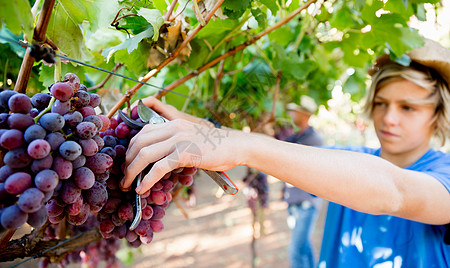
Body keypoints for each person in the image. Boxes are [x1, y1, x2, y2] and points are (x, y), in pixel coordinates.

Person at [121, 38, 450, 267]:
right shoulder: (351, 157)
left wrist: (247, 147)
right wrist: (192, 126)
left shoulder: (444, 175)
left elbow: (396, 191)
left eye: (408, 108)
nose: (389, 118)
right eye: (380, 103)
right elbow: (290, 155)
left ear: (438, 114)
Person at [282, 96, 324, 268]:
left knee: (296, 250)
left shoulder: (313, 140)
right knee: (304, 247)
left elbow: (285, 158)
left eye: (294, 111)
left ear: (304, 115)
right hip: (294, 203)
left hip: (307, 203)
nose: (291, 114)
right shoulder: (295, 137)